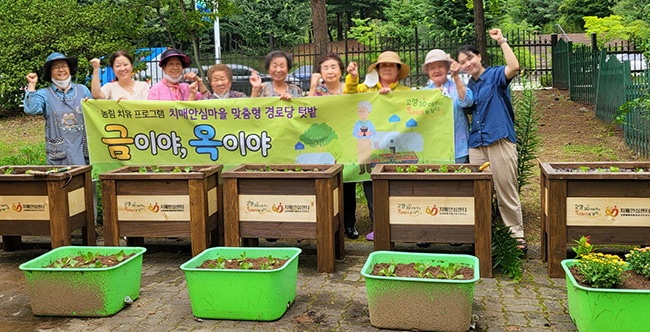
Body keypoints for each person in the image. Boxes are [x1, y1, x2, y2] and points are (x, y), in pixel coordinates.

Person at [457, 28, 527, 253]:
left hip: (499, 139)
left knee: (506, 189)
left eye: (470, 58)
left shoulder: (495, 76)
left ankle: (516, 236)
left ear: (479, 57)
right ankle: (483, 233)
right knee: (480, 192)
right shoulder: (469, 87)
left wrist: (502, 41)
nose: (467, 64)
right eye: (462, 62)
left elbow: (514, 67)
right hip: (476, 144)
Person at [343, 51, 411, 241]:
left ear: (398, 70)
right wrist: (353, 78)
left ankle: (404, 226)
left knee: (400, 188)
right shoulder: (367, 89)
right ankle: (378, 225)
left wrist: (392, 99)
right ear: (378, 69)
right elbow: (349, 96)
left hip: (397, 149)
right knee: (372, 187)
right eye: (383, 65)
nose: (387, 68)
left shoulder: (406, 92)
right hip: (371, 150)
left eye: (392, 65)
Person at [305, 53, 359, 239]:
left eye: (333, 67)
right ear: (319, 72)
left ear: (341, 70)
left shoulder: (350, 89)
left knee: (348, 184)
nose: (329, 71)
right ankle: (326, 223)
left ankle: (349, 224)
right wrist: (313, 86)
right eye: (325, 68)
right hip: (322, 145)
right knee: (324, 183)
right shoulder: (318, 92)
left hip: (348, 142)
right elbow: (306, 111)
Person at [24, 52, 93, 165]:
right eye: (56, 67)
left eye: (64, 66)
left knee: (85, 181)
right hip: (59, 156)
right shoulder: (44, 94)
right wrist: (31, 85)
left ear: (70, 69)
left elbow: (94, 115)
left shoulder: (83, 90)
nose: (61, 69)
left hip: (82, 152)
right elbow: (31, 110)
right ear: (50, 72)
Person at [422, 49, 473, 164]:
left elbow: (467, 102)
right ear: (428, 72)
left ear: (447, 68)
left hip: (458, 149)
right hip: (433, 149)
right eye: (432, 68)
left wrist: (456, 76)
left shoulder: (457, 86)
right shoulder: (423, 94)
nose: (437, 70)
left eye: (440, 66)